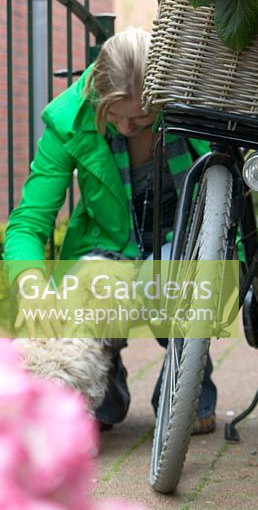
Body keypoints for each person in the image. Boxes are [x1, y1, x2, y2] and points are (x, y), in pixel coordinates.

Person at [3, 27, 217, 434]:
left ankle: (190, 377)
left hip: (182, 237)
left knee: (177, 281)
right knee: (93, 284)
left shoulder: (192, 101)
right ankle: (106, 373)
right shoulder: (69, 119)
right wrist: (31, 285)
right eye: (112, 115)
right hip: (110, 243)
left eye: (139, 118)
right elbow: (28, 224)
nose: (123, 127)